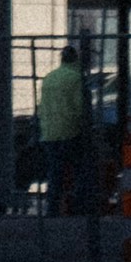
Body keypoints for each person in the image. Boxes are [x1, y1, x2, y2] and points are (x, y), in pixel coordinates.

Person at [37, 43, 96, 218]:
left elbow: (43, 107)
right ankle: (80, 209)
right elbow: (80, 108)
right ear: (76, 59)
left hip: (49, 133)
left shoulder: (49, 78)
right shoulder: (77, 78)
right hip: (70, 131)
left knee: (55, 174)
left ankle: (52, 211)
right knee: (80, 171)